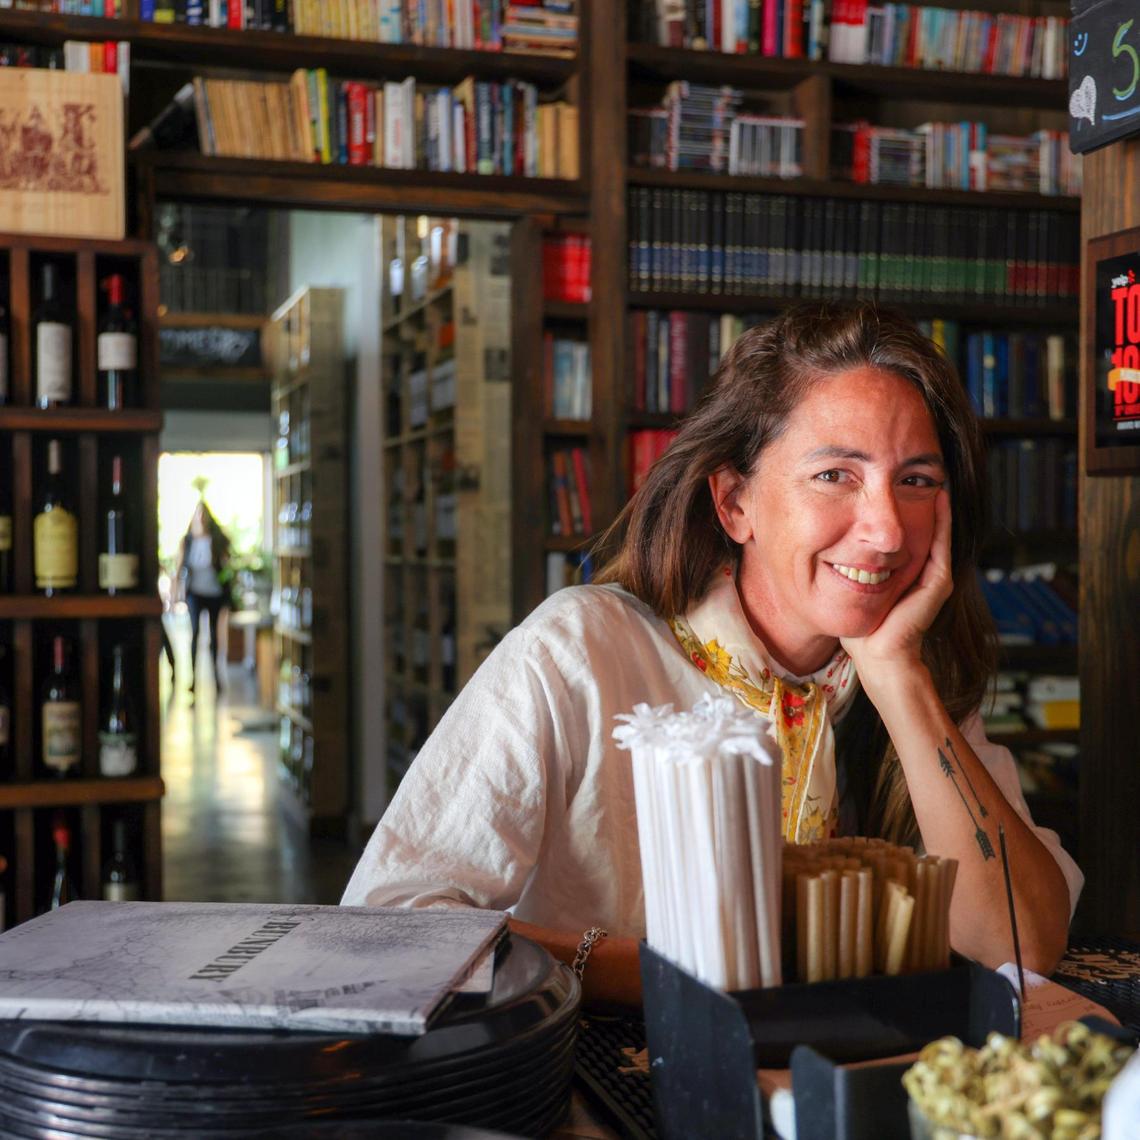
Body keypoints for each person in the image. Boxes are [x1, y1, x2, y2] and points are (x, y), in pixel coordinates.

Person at [342, 302, 1082, 1007]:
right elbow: (390, 923)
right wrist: (654, 973)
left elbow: (1016, 945)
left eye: (916, 481)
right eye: (836, 476)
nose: (887, 530)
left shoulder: (915, 672)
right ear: (734, 503)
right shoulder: (577, 649)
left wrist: (896, 680)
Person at [174, 499, 232, 698]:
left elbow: (228, 561)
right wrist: (176, 592)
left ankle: (217, 677)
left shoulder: (217, 539)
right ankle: (193, 679)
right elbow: (180, 567)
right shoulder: (188, 541)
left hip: (214, 593)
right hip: (195, 593)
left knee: (215, 636)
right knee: (195, 633)